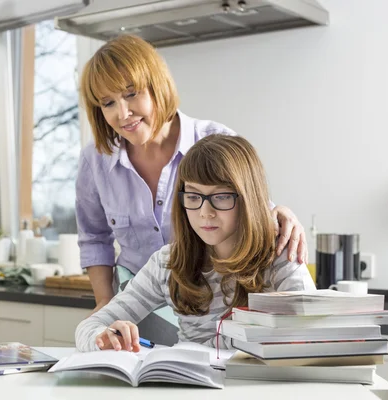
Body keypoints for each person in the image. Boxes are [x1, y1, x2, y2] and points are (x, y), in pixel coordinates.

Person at [76, 34, 308, 319]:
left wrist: (279, 211)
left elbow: (251, 211)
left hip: (208, 305)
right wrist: (105, 305)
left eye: (131, 93)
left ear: (156, 86)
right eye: (108, 103)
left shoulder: (214, 140)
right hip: (137, 305)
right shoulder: (95, 161)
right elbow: (94, 238)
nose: (123, 113)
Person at [75, 135, 316, 352]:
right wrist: (103, 337)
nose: (205, 212)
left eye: (221, 197)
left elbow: (317, 335)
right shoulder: (167, 263)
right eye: (193, 197)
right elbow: (89, 327)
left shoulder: (280, 256)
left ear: (247, 199)